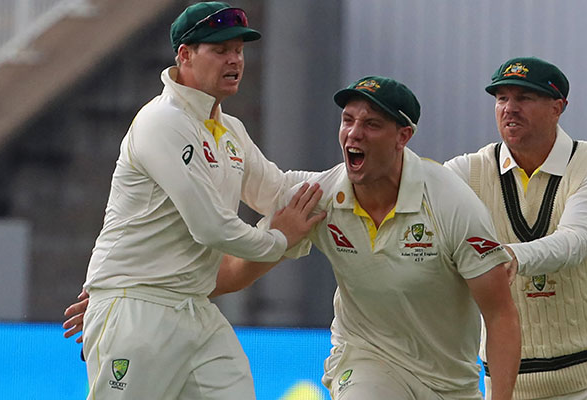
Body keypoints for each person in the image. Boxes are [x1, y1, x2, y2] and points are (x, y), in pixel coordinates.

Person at [67, 75, 522, 399]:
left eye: (372, 125)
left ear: (403, 136)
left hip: (451, 378)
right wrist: (135, 291)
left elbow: (500, 313)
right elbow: (241, 270)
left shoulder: (451, 204)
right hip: (366, 360)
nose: (353, 134)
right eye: (348, 120)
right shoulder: (323, 197)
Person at [72, 2, 325, 399]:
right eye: (220, 50)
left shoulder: (229, 130)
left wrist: (352, 182)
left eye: (239, 50)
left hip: (195, 309)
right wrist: (280, 239)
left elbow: (278, 191)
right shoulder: (162, 121)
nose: (235, 60)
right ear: (185, 55)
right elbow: (211, 227)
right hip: (138, 305)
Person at [443, 57, 587, 399]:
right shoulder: (469, 170)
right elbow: (410, 189)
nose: (510, 109)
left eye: (524, 98)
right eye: (502, 98)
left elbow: (573, 243)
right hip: (512, 382)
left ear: (558, 107)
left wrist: (507, 256)